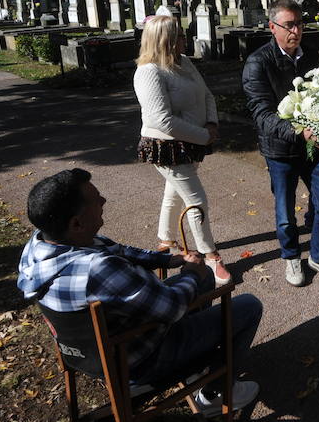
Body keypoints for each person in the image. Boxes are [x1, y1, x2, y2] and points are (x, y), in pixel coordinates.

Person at [17, 169, 263, 414]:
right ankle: (215, 394)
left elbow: (117, 250)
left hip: (90, 353)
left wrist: (167, 260)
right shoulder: (97, 269)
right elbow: (172, 307)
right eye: (96, 199)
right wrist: (191, 273)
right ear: (76, 223)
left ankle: (196, 362)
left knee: (205, 277)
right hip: (143, 359)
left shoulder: (40, 246)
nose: (103, 200)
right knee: (248, 306)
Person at [242, 0, 319, 288]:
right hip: (280, 149)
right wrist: (299, 132)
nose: (296, 31)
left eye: (299, 24)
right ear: (272, 27)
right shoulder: (257, 63)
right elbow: (261, 113)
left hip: (314, 148)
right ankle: (290, 255)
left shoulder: (311, 55)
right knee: (286, 212)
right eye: (289, 25)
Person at [133, 14, 231, 285]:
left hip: (192, 142)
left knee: (174, 191)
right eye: (178, 36)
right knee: (196, 199)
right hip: (166, 147)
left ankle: (166, 240)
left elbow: (206, 94)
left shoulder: (184, 62)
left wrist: (211, 123)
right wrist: (204, 136)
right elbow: (161, 120)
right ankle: (210, 255)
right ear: (163, 40)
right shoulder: (148, 71)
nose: (184, 40)